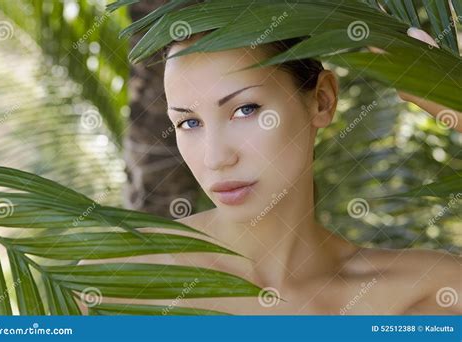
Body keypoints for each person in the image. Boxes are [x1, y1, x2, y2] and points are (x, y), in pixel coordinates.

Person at [78, 27, 461, 315]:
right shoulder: (117, 278)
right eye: (189, 123)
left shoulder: (428, 294)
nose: (216, 159)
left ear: (322, 100)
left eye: (245, 110)